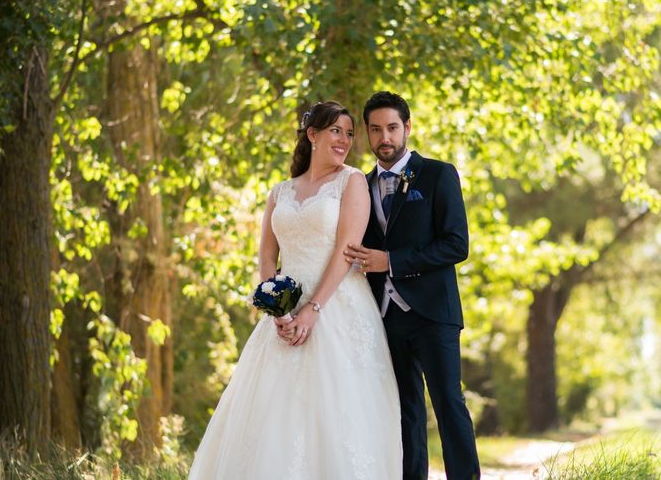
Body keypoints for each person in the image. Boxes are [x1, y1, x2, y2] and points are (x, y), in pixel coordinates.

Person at [189, 101, 402, 479]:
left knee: (336, 412)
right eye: (336, 130)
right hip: (285, 315)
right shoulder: (280, 192)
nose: (344, 140)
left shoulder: (352, 181)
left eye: (350, 133)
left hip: (338, 305)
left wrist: (312, 310)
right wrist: (280, 311)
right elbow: (267, 257)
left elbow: (346, 250)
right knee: (274, 413)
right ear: (312, 134)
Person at [344, 91, 480, 479]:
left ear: (407, 128)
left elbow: (457, 244)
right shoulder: (360, 185)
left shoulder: (438, 174)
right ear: (367, 135)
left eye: (391, 128)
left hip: (434, 313)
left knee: (449, 404)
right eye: (375, 130)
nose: (384, 137)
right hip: (385, 317)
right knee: (404, 412)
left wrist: (393, 262)